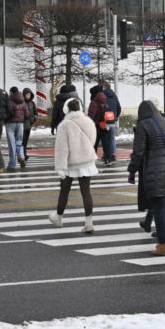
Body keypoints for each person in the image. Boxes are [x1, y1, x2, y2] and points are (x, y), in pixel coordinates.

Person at [128, 96, 165, 256]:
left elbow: (138, 153)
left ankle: (162, 244)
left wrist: (132, 171)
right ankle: (163, 237)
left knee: (159, 207)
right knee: (162, 205)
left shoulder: (144, 125)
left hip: (153, 171)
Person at [49, 98, 98, 233]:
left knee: (64, 191)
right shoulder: (89, 122)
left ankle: (58, 218)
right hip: (87, 162)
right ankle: (89, 222)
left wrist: (60, 167)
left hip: (70, 163)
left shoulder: (64, 125)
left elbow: (61, 149)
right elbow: (92, 140)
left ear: (66, 109)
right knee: (86, 192)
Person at [5, 86, 30, 171]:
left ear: (11, 93)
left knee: (12, 145)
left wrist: (5, 119)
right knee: (19, 142)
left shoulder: (9, 101)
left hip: (10, 124)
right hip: (20, 124)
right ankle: (22, 156)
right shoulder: (23, 101)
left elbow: (7, 113)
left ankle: (12, 164)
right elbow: (27, 115)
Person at [87, 86, 113, 164]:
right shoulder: (104, 100)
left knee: (94, 143)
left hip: (97, 126)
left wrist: (90, 123)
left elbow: (92, 115)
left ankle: (92, 159)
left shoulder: (94, 102)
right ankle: (108, 159)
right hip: (105, 125)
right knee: (106, 143)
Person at [101, 81, 121, 162]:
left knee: (104, 137)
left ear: (104, 87)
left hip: (104, 119)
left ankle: (106, 154)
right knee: (112, 137)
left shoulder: (102, 95)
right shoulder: (114, 95)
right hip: (112, 119)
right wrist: (115, 117)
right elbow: (119, 107)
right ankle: (112, 154)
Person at [21, 88, 36, 161]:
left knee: (26, 140)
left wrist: (34, 119)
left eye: (29, 94)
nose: (28, 96)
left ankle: (24, 153)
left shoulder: (32, 103)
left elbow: (35, 113)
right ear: (24, 95)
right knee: (23, 140)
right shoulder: (21, 103)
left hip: (29, 125)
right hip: (22, 125)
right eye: (27, 94)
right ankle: (23, 154)